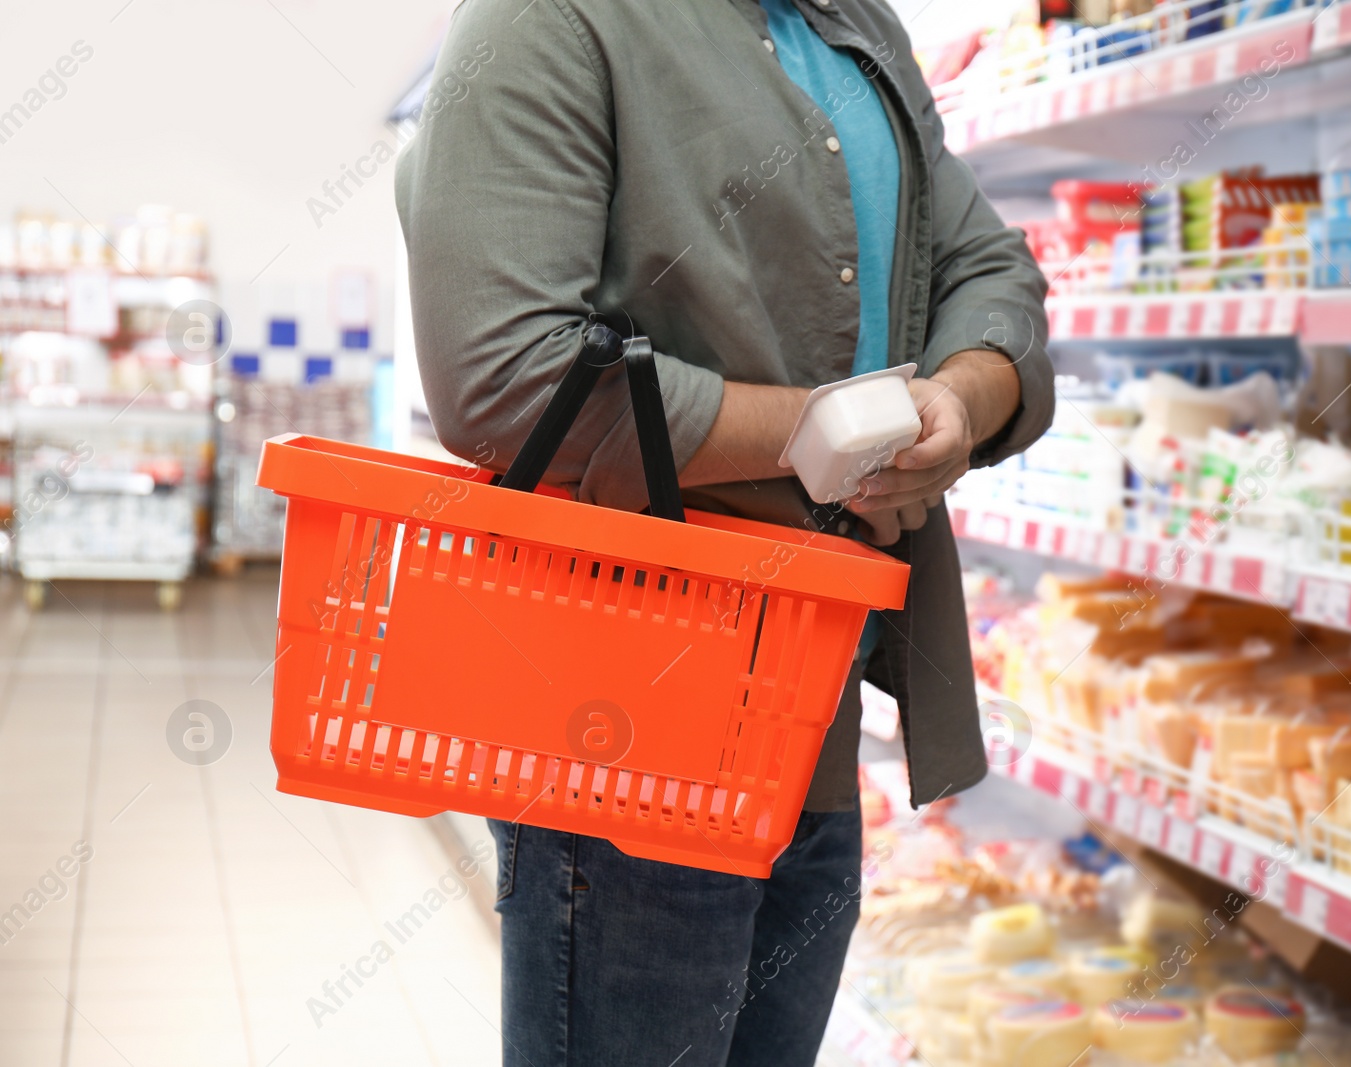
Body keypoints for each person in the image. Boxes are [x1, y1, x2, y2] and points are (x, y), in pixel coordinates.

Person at [395, 1, 1053, 1063]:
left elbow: (988, 268)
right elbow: (504, 372)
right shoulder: (551, 19)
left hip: (819, 704)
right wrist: (818, 432)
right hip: (626, 717)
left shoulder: (856, 25)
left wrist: (963, 400)